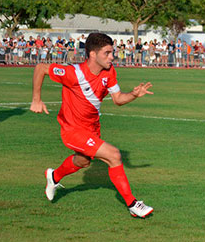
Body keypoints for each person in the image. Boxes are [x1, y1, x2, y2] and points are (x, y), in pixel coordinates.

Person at [30, 33, 154, 218]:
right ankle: (133, 204)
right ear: (93, 55)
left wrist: (134, 94)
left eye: (112, 52)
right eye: (107, 53)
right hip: (72, 130)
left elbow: (118, 99)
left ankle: (54, 176)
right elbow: (41, 68)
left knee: (83, 161)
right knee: (114, 155)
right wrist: (36, 100)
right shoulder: (73, 73)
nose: (112, 57)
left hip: (92, 128)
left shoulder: (109, 71)